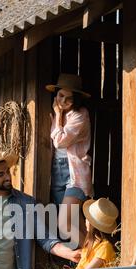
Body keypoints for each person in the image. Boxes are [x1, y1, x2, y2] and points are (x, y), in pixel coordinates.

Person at [46, 73, 93, 247]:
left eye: (69, 99)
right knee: (77, 225)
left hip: (75, 172)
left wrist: (57, 117)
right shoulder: (54, 113)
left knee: (64, 224)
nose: (63, 101)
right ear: (56, 94)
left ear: (77, 100)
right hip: (57, 172)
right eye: (60, 96)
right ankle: (94, 259)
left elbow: (60, 141)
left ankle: (92, 260)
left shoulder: (80, 115)